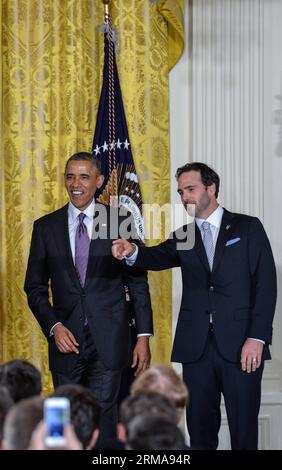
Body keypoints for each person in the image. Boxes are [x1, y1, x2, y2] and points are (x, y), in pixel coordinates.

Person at [112, 162, 277, 450]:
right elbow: (155, 256)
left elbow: (266, 287)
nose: (184, 197)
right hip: (196, 348)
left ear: (211, 188)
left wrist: (257, 337)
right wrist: (132, 251)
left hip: (242, 346)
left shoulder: (247, 227)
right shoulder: (184, 235)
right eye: (180, 191)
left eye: (190, 189)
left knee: (244, 430)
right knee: (199, 431)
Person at [24, 151, 153, 440]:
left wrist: (143, 336)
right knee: (60, 416)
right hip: (65, 340)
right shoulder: (46, 227)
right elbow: (34, 288)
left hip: (109, 339)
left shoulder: (119, 220)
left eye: (84, 176)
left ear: (99, 181)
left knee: (104, 414)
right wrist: (54, 327)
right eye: (70, 176)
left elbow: (137, 283)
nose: (75, 183)